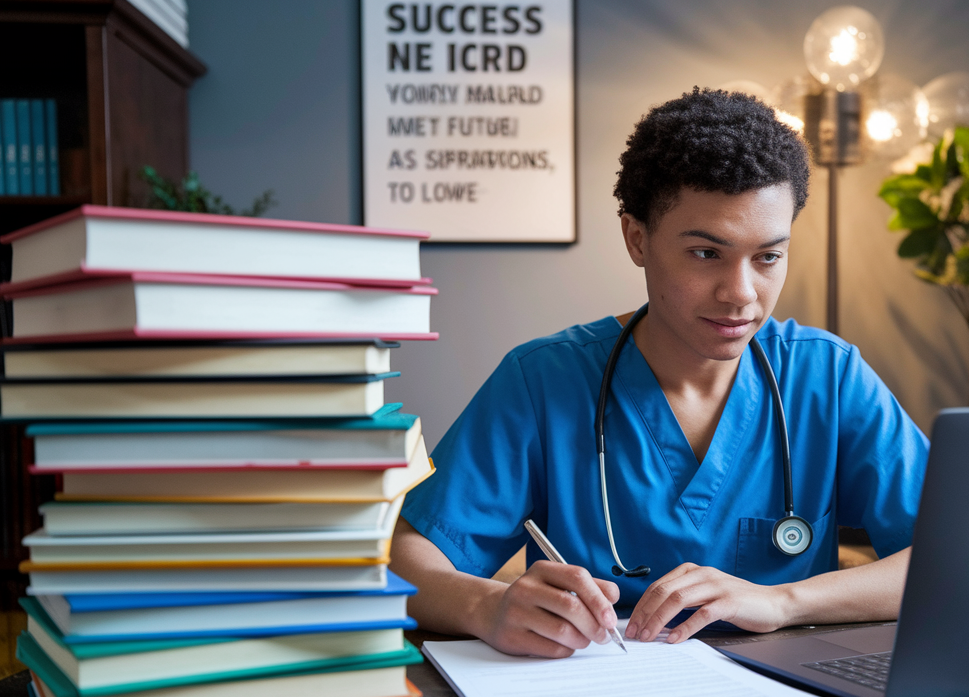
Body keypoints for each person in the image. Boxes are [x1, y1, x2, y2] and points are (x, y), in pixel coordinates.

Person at [391, 88, 929, 658]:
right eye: (706, 254)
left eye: (768, 257)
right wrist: (486, 606)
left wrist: (783, 602)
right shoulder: (544, 380)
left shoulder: (829, 378)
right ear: (637, 239)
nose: (741, 294)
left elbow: (954, 555)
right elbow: (408, 557)